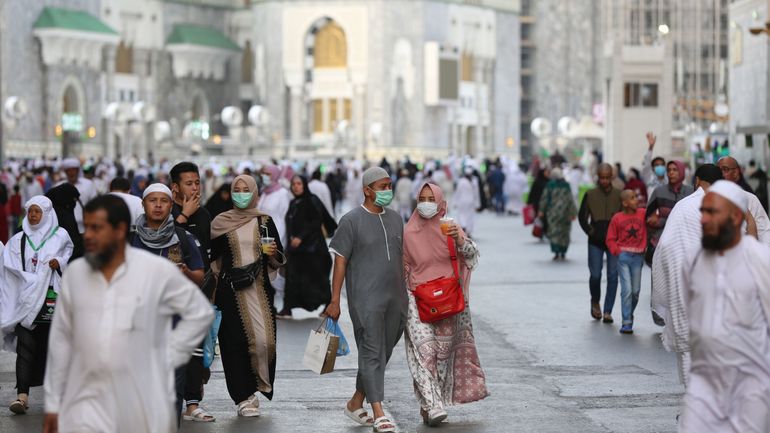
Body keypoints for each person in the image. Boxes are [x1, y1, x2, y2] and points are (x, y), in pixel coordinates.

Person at [42, 195, 213, 433]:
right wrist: (53, 402)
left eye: (96, 228)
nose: (88, 235)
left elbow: (199, 312)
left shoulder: (153, 269)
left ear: (120, 230)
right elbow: (61, 339)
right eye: (86, 227)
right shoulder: (76, 274)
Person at [678, 180, 770, 433]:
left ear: (736, 216)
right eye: (703, 211)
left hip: (751, 385)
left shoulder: (761, 261)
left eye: (713, 212)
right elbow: (690, 306)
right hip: (703, 383)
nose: (704, 219)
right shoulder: (693, 259)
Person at [324, 167, 407, 433]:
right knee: (372, 350)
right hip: (365, 299)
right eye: (382, 186)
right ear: (367, 190)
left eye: (389, 185)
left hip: (396, 298)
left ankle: (355, 402)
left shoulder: (396, 219)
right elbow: (340, 262)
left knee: (383, 351)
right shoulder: (351, 220)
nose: (387, 191)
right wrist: (335, 300)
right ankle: (378, 410)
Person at [403, 182, 488, 426]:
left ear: (441, 203)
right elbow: (403, 268)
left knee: (441, 355)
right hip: (416, 299)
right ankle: (434, 405)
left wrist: (459, 241)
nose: (426, 203)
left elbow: (471, 257)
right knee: (423, 352)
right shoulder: (408, 232)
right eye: (423, 198)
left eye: (432, 198)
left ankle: (428, 403)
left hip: (448, 300)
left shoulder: (450, 228)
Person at [130, 183, 211, 422]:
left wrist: (184, 270)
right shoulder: (130, 239)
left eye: (163, 201)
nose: (157, 205)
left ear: (170, 205)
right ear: (143, 204)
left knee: (173, 389)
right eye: (152, 200)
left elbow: (199, 276)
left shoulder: (183, 238)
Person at [210, 174, 285, 417]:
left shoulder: (264, 221)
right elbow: (213, 259)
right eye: (237, 189)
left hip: (260, 288)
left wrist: (273, 253)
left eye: (246, 189)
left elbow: (278, 256)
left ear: (253, 192)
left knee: (266, 342)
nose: (241, 193)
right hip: (230, 290)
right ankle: (243, 396)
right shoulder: (221, 222)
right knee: (234, 345)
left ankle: (258, 384)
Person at [651, 164, 722, 386]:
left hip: (683, 286)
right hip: (716, 288)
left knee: (687, 343)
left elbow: (666, 247)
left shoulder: (683, 207)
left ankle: (694, 400)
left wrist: (669, 279)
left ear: (697, 181)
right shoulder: (727, 206)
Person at [0, 196, 73, 414]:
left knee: (54, 350)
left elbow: (70, 256)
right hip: (26, 303)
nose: (32, 215)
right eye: (30, 211)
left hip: (52, 302)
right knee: (26, 348)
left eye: (37, 211)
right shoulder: (18, 240)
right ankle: (22, 397)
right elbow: (9, 271)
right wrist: (31, 281)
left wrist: (58, 263)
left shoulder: (60, 236)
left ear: (47, 214)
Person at [277, 175, 337, 319]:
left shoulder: (312, 200)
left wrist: (301, 237)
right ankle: (287, 308)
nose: (296, 186)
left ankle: (327, 306)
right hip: (296, 251)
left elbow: (316, 221)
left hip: (314, 251)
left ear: (304, 185)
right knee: (292, 278)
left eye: (299, 183)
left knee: (318, 280)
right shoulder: (293, 203)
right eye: (293, 184)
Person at [645, 159, 693, 325]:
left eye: (674, 169)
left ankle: (679, 318)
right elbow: (648, 217)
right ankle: (659, 315)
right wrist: (654, 230)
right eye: (669, 170)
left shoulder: (690, 192)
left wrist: (662, 220)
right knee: (660, 280)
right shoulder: (658, 192)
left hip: (682, 245)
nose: (671, 172)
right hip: (660, 244)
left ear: (682, 172)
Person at [578, 163, 622, 322]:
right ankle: (595, 301)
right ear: (597, 176)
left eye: (607, 177)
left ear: (611, 177)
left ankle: (608, 311)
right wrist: (591, 232)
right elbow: (582, 217)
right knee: (595, 275)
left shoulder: (619, 194)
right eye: (601, 177)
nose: (604, 181)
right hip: (595, 240)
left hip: (613, 241)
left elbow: (625, 216)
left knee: (612, 275)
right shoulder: (590, 194)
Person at [605, 190, 647, 334]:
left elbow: (654, 219)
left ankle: (629, 312)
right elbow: (610, 238)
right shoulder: (617, 218)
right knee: (627, 290)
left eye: (636, 197)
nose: (636, 200)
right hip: (623, 257)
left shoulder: (643, 213)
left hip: (638, 257)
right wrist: (617, 251)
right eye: (633, 198)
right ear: (625, 203)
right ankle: (626, 322)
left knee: (635, 291)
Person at [716, 156, 770, 244]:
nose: (721, 174)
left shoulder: (750, 199)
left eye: (725, 169)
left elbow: (765, 233)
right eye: (718, 170)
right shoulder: (708, 200)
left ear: (735, 172)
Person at [538, 167, 577, 260]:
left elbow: (544, 198)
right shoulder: (566, 185)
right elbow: (570, 200)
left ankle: (556, 252)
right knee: (564, 232)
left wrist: (541, 210)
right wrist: (573, 212)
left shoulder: (549, 185)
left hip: (553, 213)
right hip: (565, 213)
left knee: (554, 232)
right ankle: (563, 252)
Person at [45, 183, 84, 260]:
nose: (74, 204)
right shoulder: (65, 217)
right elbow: (73, 242)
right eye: (74, 200)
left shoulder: (45, 213)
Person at [59, 158, 97, 234]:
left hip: (85, 227)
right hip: (65, 229)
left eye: (74, 170)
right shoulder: (59, 186)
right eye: (69, 170)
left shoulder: (88, 184)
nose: (71, 173)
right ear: (65, 172)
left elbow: (95, 203)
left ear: (78, 171)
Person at [452, 168, 481, 236]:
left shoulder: (462, 181)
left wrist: (455, 202)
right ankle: (467, 230)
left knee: (463, 215)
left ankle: (464, 227)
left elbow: (457, 192)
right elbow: (476, 193)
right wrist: (477, 204)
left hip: (463, 201)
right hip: (470, 202)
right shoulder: (474, 181)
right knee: (469, 216)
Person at [641, 132, 667, 196]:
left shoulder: (668, 179)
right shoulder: (649, 178)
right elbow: (647, 164)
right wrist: (651, 147)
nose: (660, 167)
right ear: (652, 167)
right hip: (653, 206)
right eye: (657, 165)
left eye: (662, 164)